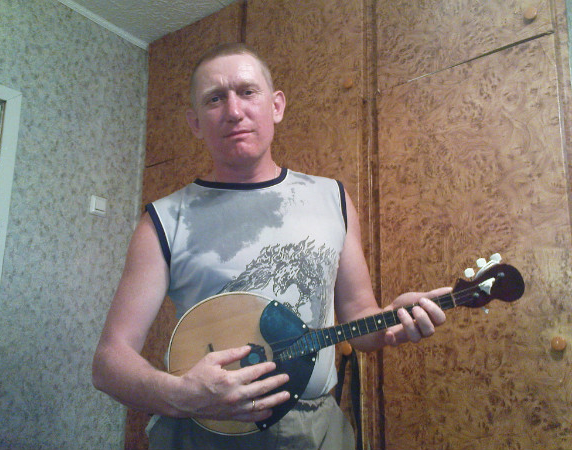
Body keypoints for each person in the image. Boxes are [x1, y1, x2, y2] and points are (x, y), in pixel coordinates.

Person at [92, 43, 449, 450]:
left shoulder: (333, 199)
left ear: (276, 106)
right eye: (214, 99)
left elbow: (361, 320)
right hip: (207, 432)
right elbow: (109, 362)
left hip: (318, 431)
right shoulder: (163, 220)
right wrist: (183, 396)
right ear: (195, 123)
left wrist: (393, 323)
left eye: (247, 92)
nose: (233, 111)